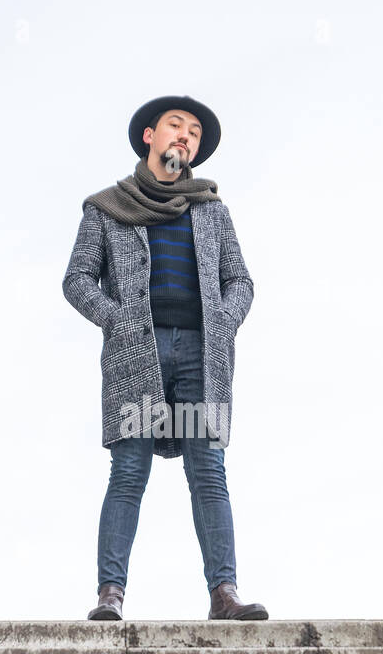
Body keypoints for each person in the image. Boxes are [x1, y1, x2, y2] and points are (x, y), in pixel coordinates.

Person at [62, 93, 268, 622]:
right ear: (149, 137)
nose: (185, 136)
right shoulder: (107, 207)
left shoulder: (212, 211)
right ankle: (111, 594)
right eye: (175, 125)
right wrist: (116, 319)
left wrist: (225, 320)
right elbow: (77, 280)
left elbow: (240, 280)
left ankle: (224, 593)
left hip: (201, 356)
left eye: (194, 132)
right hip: (137, 356)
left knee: (208, 470)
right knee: (129, 471)